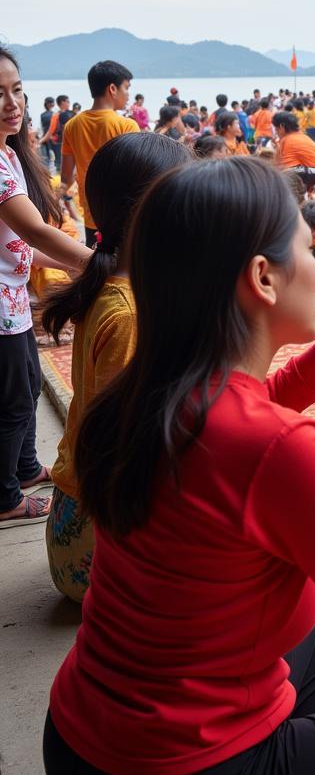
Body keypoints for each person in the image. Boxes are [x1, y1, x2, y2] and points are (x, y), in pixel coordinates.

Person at [42, 157, 315, 775]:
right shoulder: (279, 448)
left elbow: (236, 427)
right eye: (310, 250)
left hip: (80, 738)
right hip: (186, 766)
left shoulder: (145, 391)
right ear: (263, 277)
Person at [41, 133, 191, 599]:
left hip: (76, 524)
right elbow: (124, 447)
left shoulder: (106, 282)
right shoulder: (130, 312)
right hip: (97, 552)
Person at [0, 47, 93, 528]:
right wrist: (97, 263)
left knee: (28, 386)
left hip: (13, 299)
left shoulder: (9, 152)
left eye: (16, 90)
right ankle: (6, 496)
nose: (11, 103)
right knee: (15, 398)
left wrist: (73, 264)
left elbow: (20, 244)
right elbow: (34, 230)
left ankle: (25, 466)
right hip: (1, 309)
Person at [60, 60, 140, 247]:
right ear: (112, 88)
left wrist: (57, 198)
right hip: (122, 213)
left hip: (91, 213)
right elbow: (136, 173)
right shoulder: (126, 125)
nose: (128, 95)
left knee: (95, 263)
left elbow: (66, 177)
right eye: (126, 88)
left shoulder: (72, 125)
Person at [273, 110, 315, 203]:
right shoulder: (303, 136)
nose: (276, 133)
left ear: (281, 127)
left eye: (276, 129)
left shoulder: (287, 140)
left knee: (287, 174)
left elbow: (288, 171)